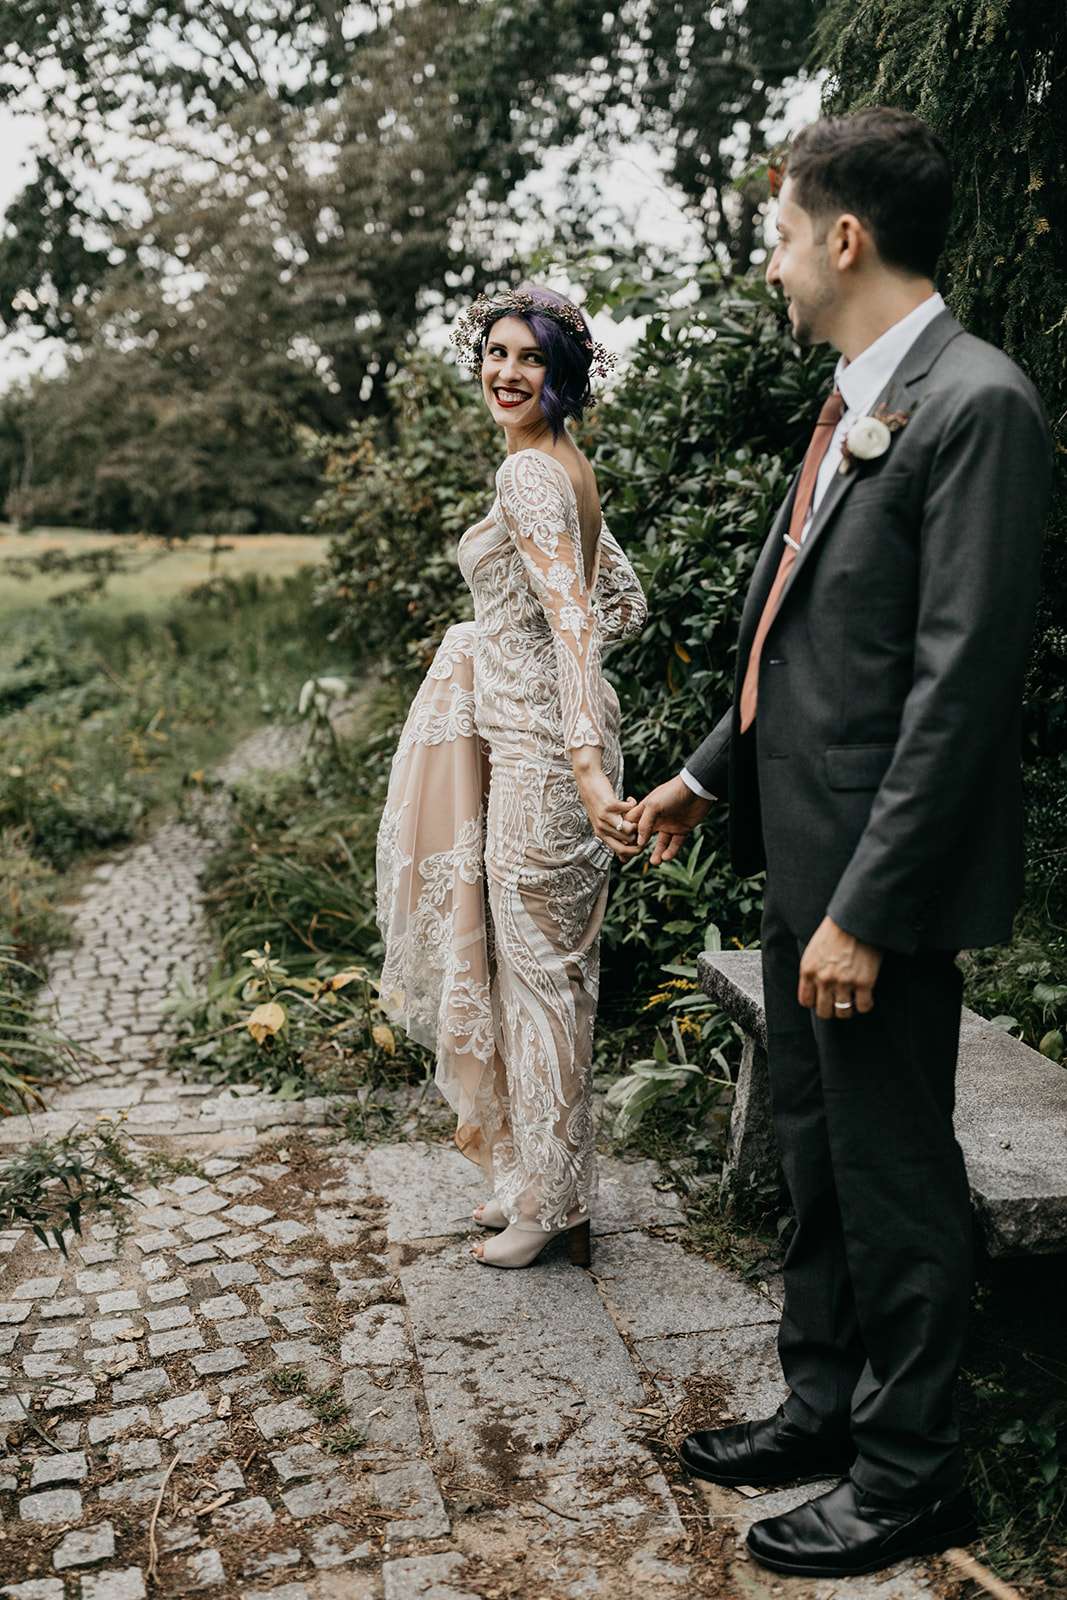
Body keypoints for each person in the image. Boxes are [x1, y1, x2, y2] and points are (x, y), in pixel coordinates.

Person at [628, 108, 1052, 1578]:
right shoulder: (851, 400)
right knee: (814, 1152)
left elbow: (958, 687)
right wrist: (704, 774)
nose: (772, 261)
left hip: (878, 876)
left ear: (844, 237)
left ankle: (911, 1471)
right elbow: (797, 635)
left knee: (889, 1169)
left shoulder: (974, 403)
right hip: (800, 853)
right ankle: (821, 1402)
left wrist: (865, 910)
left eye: (781, 232)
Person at [376, 284, 647, 1270]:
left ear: (560, 375)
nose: (505, 371)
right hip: (542, 745)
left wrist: (579, 762)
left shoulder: (530, 475)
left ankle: (557, 1208)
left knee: (542, 987)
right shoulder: (564, 467)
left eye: (529, 358)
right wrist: (493, 640)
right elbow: (624, 605)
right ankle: (538, 1182)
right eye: (494, 352)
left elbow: (578, 618)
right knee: (542, 981)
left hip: (542, 764)